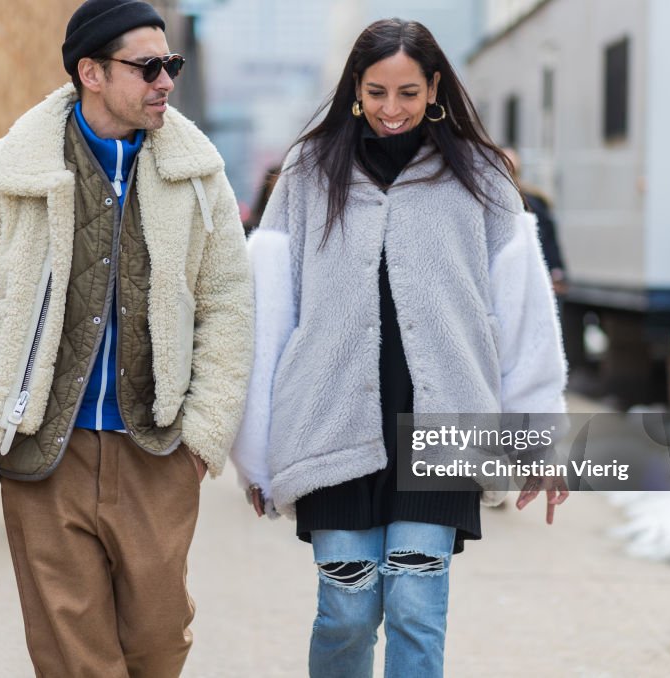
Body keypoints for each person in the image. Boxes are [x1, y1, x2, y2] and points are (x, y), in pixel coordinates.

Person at [0, 1, 253, 675]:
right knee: (73, 655)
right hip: (47, 450)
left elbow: (227, 305)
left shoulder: (197, 174)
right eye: (148, 66)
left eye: (172, 64)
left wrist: (202, 435)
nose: (165, 81)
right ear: (91, 73)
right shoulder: (12, 169)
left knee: (160, 640)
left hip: (156, 450)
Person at [231, 19, 567, 677]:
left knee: (416, 606)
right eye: (377, 91)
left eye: (408, 92)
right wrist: (256, 451)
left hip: (442, 428)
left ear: (435, 86)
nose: (392, 109)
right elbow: (268, 312)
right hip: (331, 422)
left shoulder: (481, 177)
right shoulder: (308, 171)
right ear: (355, 88)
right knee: (346, 610)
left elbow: (523, 317)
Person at [504, 148, 567, 294]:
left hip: (531, 279)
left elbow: (549, 240)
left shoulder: (535, 202)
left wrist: (556, 271)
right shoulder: (486, 202)